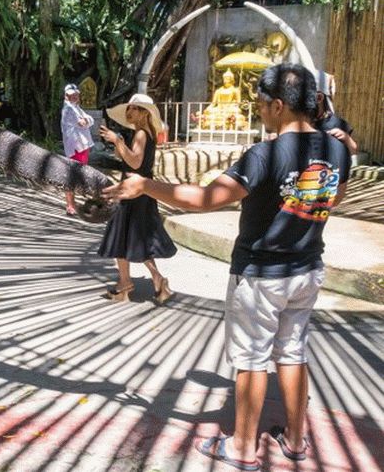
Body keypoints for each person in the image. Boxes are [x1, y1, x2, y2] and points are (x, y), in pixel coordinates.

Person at [104, 64, 350, 470]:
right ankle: (295, 440)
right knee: (292, 351)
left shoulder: (266, 153)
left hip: (261, 275)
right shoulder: (337, 148)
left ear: (277, 104)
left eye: (260, 105)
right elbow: (333, 197)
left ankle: (243, 448)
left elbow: (204, 198)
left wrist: (145, 185)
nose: (258, 112)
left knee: (252, 359)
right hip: (307, 268)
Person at [98, 93, 176, 303]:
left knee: (122, 235)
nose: (128, 112)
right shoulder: (146, 132)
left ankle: (131, 282)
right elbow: (132, 159)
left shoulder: (141, 133)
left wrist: (116, 140)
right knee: (132, 237)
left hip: (134, 191)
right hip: (140, 190)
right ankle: (147, 281)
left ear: (142, 112)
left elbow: (134, 162)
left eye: (132, 108)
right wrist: (119, 144)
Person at [60, 83, 94, 215]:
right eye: (71, 95)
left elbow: (90, 120)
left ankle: (73, 203)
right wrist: (86, 121)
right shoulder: (68, 109)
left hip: (82, 146)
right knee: (72, 175)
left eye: (76, 94)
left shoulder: (76, 108)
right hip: (76, 147)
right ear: (66, 96)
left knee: (78, 174)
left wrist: (87, 121)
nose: (74, 97)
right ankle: (70, 205)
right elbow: (82, 123)